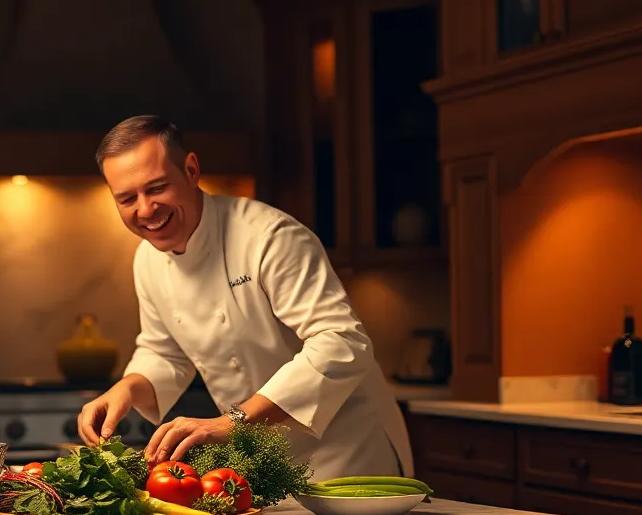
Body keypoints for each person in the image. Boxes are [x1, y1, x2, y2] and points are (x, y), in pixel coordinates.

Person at [76, 115, 414, 480]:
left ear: (191, 170)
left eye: (157, 188)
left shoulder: (270, 237)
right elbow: (164, 352)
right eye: (127, 198)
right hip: (267, 465)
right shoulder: (147, 258)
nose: (145, 210)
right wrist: (126, 389)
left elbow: (342, 344)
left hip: (350, 455)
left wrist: (232, 422)